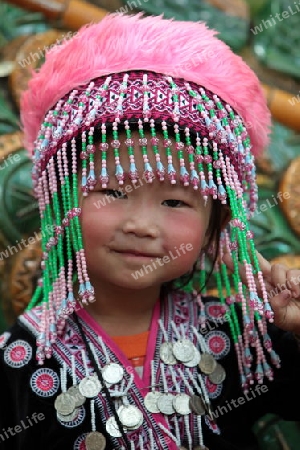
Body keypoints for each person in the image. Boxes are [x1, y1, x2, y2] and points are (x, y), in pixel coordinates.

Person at [0, 13, 300, 450]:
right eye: (112, 190)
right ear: (61, 201)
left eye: (176, 202)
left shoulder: (243, 341)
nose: (140, 225)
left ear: (215, 226)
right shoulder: (15, 361)